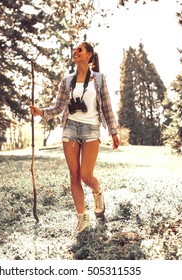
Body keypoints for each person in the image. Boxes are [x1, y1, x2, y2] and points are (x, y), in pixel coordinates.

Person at [30, 42, 120, 233]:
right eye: (74, 50)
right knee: (74, 175)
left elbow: (107, 107)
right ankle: (82, 217)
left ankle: (97, 192)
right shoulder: (67, 81)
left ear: (89, 55)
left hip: (91, 129)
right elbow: (58, 107)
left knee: (86, 175)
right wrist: (40, 112)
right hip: (70, 128)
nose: (75, 52)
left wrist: (113, 132)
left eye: (80, 50)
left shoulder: (100, 79)